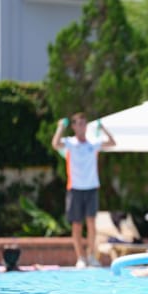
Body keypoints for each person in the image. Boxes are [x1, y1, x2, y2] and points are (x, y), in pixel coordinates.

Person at [52, 112, 116, 268]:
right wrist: (60, 127)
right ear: (74, 126)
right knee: (77, 225)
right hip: (75, 189)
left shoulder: (93, 143)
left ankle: (91, 256)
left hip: (92, 188)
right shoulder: (69, 143)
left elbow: (112, 143)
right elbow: (55, 144)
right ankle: (80, 258)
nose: (82, 126)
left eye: (84, 123)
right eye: (79, 124)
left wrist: (103, 128)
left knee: (92, 223)